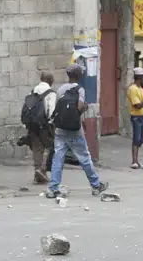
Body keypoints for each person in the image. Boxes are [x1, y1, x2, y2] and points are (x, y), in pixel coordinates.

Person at [46, 63, 107, 198]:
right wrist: (84, 107)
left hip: (60, 130)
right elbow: (79, 107)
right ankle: (96, 185)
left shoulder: (61, 89)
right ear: (79, 76)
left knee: (58, 158)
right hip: (75, 130)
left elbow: (58, 108)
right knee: (84, 157)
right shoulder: (80, 89)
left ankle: (53, 188)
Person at [25, 70, 58, 185]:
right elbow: (51, 110)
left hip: (32, 124)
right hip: (44, 124)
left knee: (37, 149)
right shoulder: (51, 93)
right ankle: (42, 169)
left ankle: (37, 176)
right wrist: (52, 122)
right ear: (50, 81)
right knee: (51, 147)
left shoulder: (33, 90)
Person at [127, 68, 143, 170]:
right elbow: (137, 105)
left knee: (141, 139)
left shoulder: (141, 89)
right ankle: (134, 161)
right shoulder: (133, 89)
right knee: (136, 138)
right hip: (136, 116)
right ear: (140, 78)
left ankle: (137, 160)